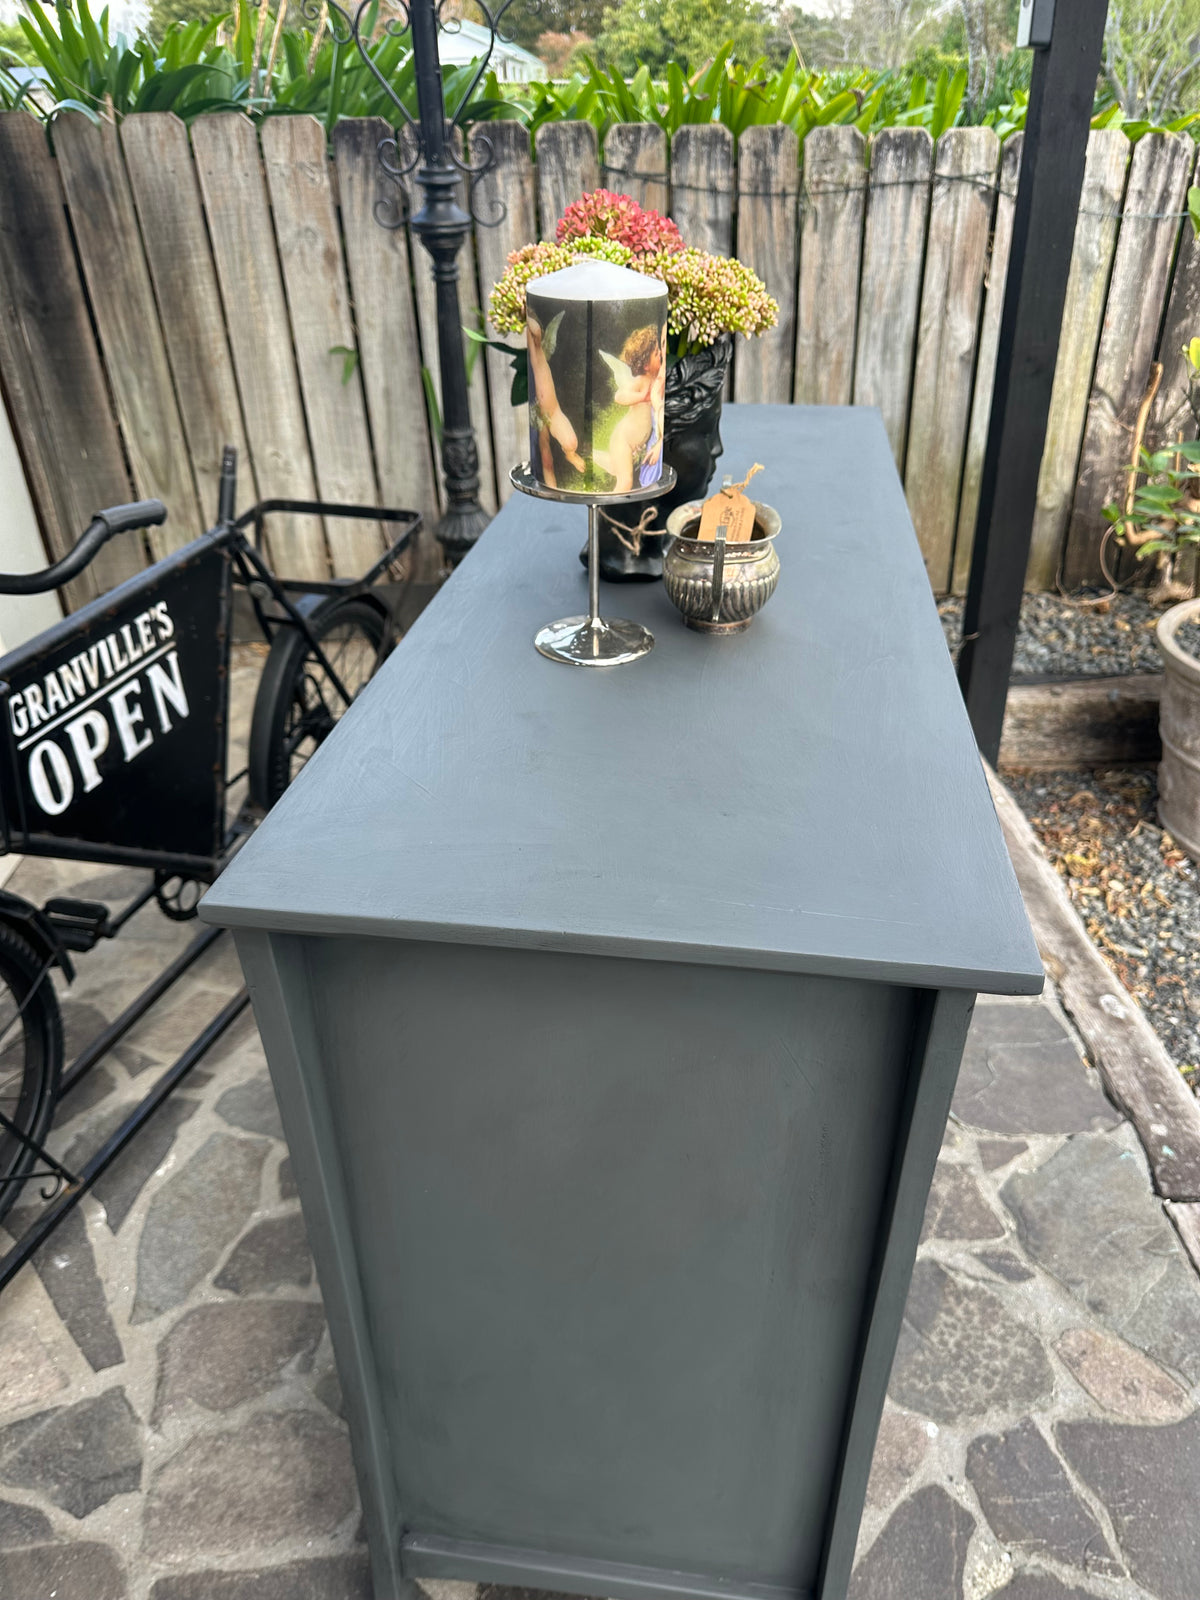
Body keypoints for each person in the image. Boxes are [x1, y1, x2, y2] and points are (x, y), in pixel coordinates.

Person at [595, 325, 666, 494]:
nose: (661, 355)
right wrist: (642, 397)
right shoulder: (642, 381)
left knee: (625, 477)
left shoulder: (657, 379)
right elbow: (619, 396)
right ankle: (608, 509)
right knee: (625, 482)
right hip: (623, 440)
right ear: (646, 365)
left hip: (635, 444)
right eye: (657, 354)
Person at [527, 310, 584, 487]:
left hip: (552, 412)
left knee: (571, 442)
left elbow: (536, 330)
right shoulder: (532, 352)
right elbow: (533, 331)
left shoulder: (540, 349)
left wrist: (525, 314)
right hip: (539, 411)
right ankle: (551, 490)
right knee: (546, 460)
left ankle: (570, 456)